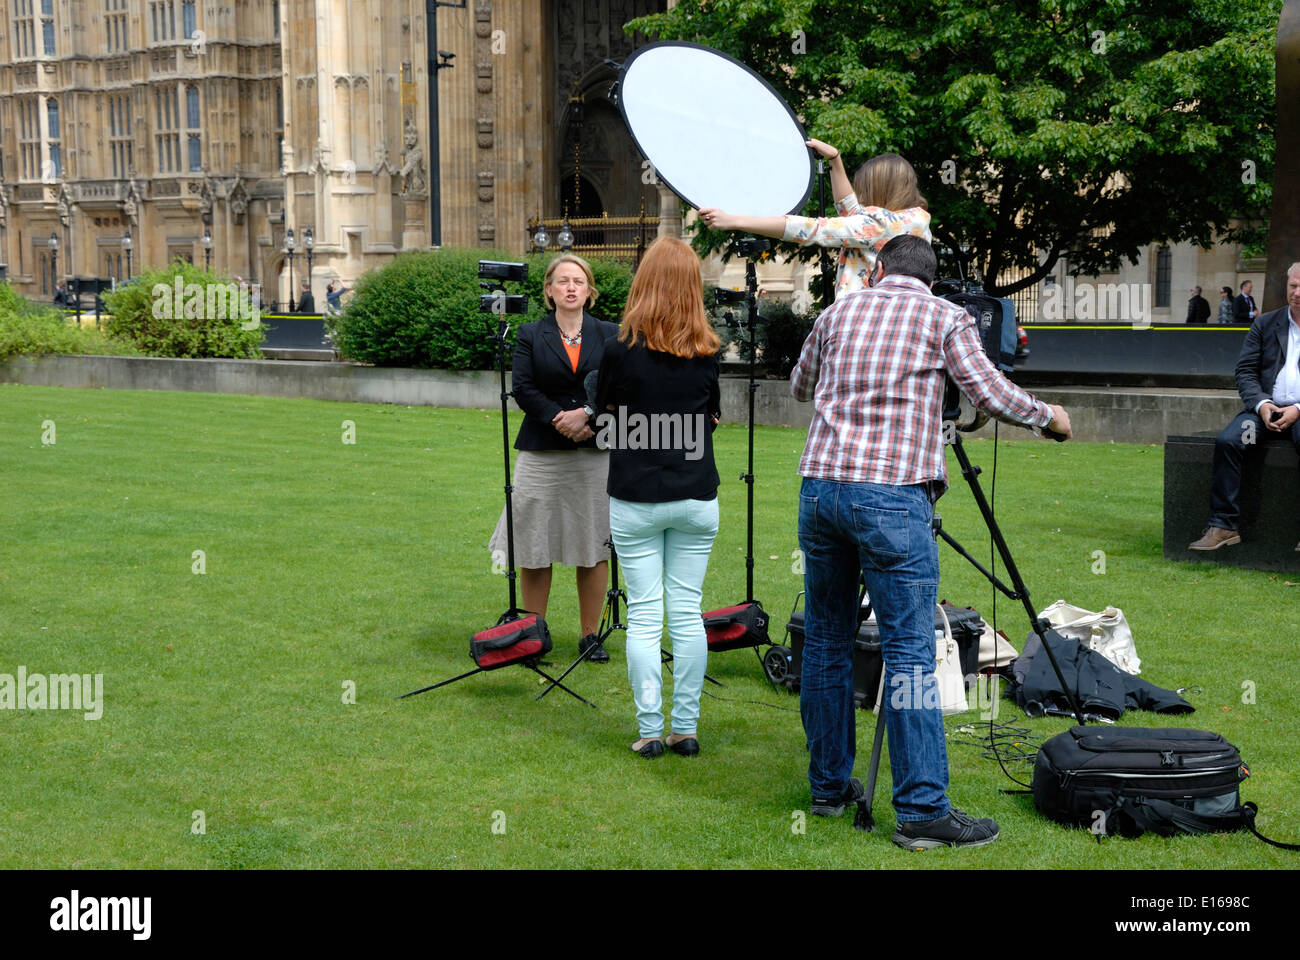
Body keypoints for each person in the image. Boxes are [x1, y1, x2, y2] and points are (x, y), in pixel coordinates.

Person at [790, 235, 1072, 850]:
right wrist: (1050, 416)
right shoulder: (946, 315)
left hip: (821, 491)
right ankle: (920, 811)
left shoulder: (837, 311)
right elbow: (990, 394)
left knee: (827, 642)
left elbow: (799, 386)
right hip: (891, 496)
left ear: (879, 269)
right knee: (912, 654)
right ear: (931, 279)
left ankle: (829, 786)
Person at [593, 237, 722, 759]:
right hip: (694, 493)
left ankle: (650, 730)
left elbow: (606, 420)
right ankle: (684, 728)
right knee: (686, 613)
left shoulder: (618, 349)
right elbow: (712, 416)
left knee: (647, 615)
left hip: (637, 495)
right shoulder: (707, 350)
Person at [488, 254, 619, 661]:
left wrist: (590, 417)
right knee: (534, 542)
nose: (571, 287)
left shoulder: (612, 334)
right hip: (542, 450)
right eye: (562, 281)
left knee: (593, 543)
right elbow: (523, 387)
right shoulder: (530, 334)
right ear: (549, 290)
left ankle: (589, 635)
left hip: (594, 450)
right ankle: (532, 633)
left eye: (579, 281)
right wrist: (559, 419)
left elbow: (617, 387)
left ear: (590, 291)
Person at [698, 140, 931, 299]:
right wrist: (835, 160)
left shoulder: (878, 225)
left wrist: (736, 221)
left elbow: (811, 229)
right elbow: (852, 214)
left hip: (862, 323)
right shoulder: (912, 222)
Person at [1188, 262, 1300, 551]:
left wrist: (1297, 408)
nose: (1297, 293)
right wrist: (1262, 405)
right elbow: (1246, 372)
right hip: (1264, 410)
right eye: (1293, 286)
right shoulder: (1265, 324)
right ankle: (1224, 526)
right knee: (1229, 441)